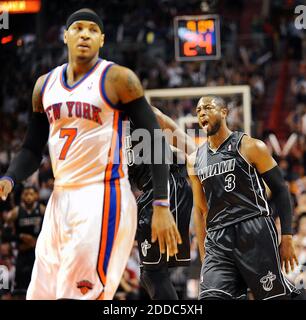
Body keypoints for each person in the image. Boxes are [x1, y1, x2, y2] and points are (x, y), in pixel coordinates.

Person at [0, 8, 180, 300]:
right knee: (40, 295)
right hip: (60, 199)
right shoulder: (44, 86)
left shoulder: (119, 79)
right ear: (66, 35)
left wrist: (162, 203)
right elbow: (32, 149)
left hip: (102, 195)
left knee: (79, 294)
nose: (85, 34)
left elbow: (155, 138)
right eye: (78, 28)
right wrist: (9, 178)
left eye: (92, 30)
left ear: (102, 39)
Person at [188, 95, 302, 300]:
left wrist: (286, 237)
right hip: (218, 239)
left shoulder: (251, 146)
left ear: (224, 112)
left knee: (275, 297)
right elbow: (200, 209)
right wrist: (204, 254)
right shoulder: (194, 159)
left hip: (253, 231)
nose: (202, 113)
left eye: (208, 108)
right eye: (198, 111)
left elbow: (281, 190)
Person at [127, 107, 196, 299]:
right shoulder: (105, 127)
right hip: (156, 189)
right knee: (153, 273)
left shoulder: (131, 108)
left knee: (152, 274)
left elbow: (166, 124)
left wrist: (199, 155)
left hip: (166, 185)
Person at [5, 186, 45, 299]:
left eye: (31, 194)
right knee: (20, 288)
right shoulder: (15, 212)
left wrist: (36, 241)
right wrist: (20, 236)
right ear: (22, 196)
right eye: (26, 194)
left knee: (38, 284)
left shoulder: (43, 210)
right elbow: (5, 234)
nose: (28, 197)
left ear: (36, 196)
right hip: (21, 252)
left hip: (38, 252)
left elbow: (51, 231)